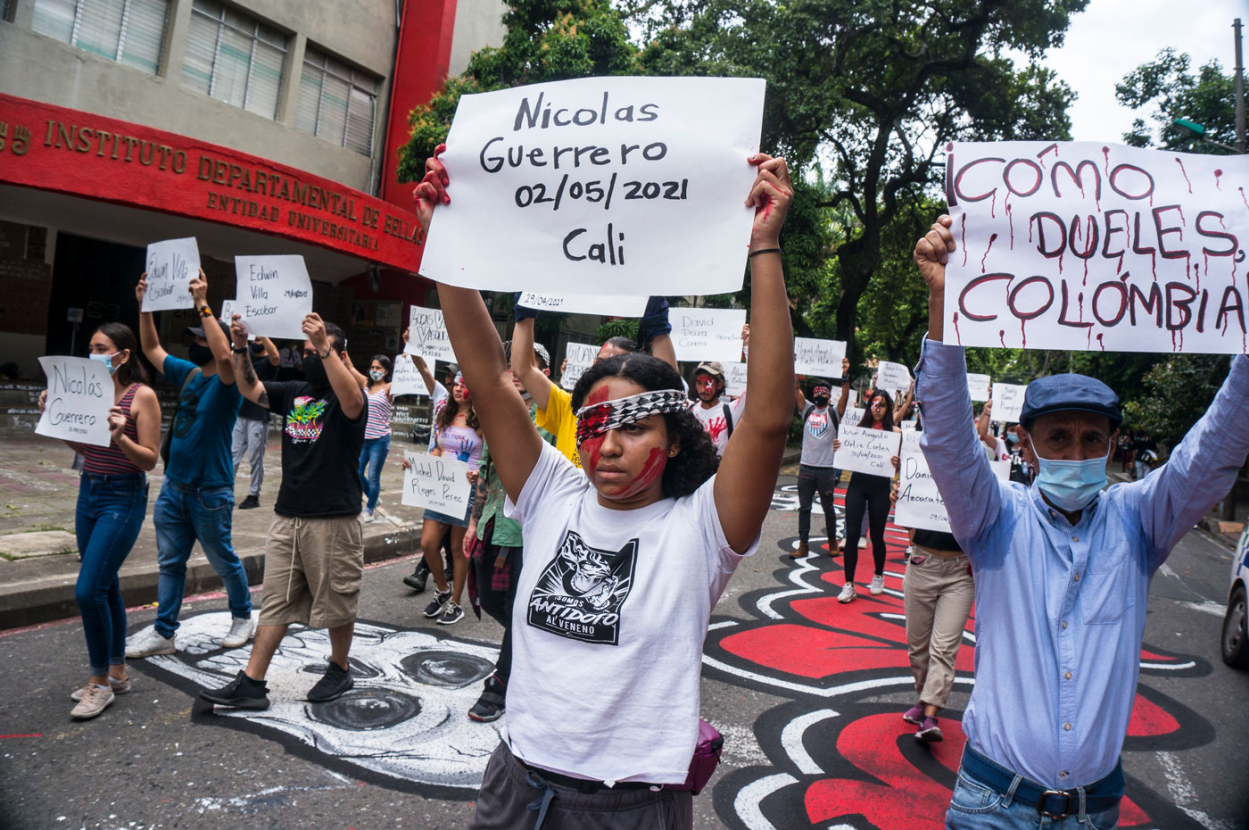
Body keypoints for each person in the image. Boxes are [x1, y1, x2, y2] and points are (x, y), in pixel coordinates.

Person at [413, 146, 795, 828]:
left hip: (632, 806)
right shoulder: (552, 493)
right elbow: (491, 376)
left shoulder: (702, 526)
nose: (609, 446)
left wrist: (763, 247)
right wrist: (446, 240)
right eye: (593, 427)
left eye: (635, 428)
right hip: (515, 787)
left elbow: (767, 417)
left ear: (673, 439)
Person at [913, 213, 1249, 828]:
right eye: (1058, 438)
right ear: (1027, 444)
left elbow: (1213, 453)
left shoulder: (1139, 521)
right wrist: (943, 301)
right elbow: (948, 439)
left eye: (1092, 439)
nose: (1075, 453)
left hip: (1094, 811)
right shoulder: (995, 518)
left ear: (1113, 443)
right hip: (992, 804)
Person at [199, 313, 366, 709]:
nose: (310, 357)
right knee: (276, 599)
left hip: (333, 519)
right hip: (288, 515)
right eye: (306, 352)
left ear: (340, 355)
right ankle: (252, 683)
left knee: (337, 600)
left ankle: (340, 668)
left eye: (318, 351)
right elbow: (250, 388)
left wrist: (325, 346)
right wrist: (241, 346)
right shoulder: (293, 391)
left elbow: (353, 401)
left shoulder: (350, 395)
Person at [126, 271, 254, 659]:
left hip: (210, 492)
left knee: (223, 560)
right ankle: (164, 631)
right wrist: (145, 305)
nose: (194, 344)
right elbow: (150, 348)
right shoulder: (190, 373)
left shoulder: (229, 384)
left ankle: (243, 616)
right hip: (173, 487)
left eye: (200, 338)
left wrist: (202, 303)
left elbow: (224, 356)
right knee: (170, 563)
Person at [38, 324, 160, 719]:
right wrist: (54, 417)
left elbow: (149, 459)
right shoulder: (88, 393)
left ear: (123, 355)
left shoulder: (142, 396)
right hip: (88, 491)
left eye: (102, 348)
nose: (94, 354)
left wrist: (121, 436)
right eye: (91, 347)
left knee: (88, 590)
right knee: (106, 587)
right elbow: (85, 446)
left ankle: (100, 683)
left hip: (122, 497)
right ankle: (117, 672)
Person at [463, 339, 556, 722]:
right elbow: (486, 472)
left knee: (519, 608)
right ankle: (534, 641)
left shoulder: (554, 417)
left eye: (524, 364)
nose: (514, 371)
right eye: (510, 364)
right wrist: (474, 522)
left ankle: (500, 685)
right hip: (493, 525)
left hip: (530, 534)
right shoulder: (498, 413)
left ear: (543, 374)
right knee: (490, 599)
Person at [510, 295, 679, 469]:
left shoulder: (642, 412)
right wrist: (526, 312)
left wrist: (658, 330)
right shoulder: (570, 407)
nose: (608, 448)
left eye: (616, 364)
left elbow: (670, 392)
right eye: (600, 362)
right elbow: (523, 369)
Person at [889, 415, 972, 744]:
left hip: (961, 573)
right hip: (922, 563)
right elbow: (910, 528)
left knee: (944, 648)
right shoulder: (918, 466)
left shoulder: (975, 469)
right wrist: (900, 500)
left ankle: (931, 715)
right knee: (917, 648)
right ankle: (924, 700)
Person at [408, 369, 483, 626]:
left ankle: (456, 603)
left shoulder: (482, 419)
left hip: (466, 490)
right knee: (428, 543)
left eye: (464, 384)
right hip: (440, 488)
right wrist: (419, 465)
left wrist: (478, 472)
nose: (458, 388)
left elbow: (489, 455)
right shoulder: (445, 415)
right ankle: (442, 590)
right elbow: (437, 449)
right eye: (456, 385)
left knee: (457, 548)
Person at [400, 347, 457, 592]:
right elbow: (423, 368)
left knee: (443, 522)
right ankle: (450, 565)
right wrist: (413, 347)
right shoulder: (441, 395)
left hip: (455, 473)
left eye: (454, 376)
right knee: (443, 521)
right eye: (448, 376)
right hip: (432, 468)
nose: (450, 380)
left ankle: (423, 570)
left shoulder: (472, 404)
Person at [833, 390, 899, 600]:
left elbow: (900, 466)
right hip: (858, 485)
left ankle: (879, 575)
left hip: (880, 487)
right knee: (852, 534)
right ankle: (848, 584)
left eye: (882, 405)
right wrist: (839, 447)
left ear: (888, 408)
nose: (877, 409)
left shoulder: (895, 433)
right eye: (874, 404)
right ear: (869, 406)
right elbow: (846, 454)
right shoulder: (858, 430)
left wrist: (897, 464)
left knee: (877, 535)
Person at [791, 360, 850, 558]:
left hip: (826, 469)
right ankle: (803, 545)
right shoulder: (807, 409)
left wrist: (845, 377)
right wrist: (795, 367)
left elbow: (844, 398)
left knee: (828, 508)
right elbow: (796, 389)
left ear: (829, 395)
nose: (820, 395)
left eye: (824, 392)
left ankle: (832, 541)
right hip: (806, 468)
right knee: (804, 508)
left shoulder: (833, 413)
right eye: (817, 391)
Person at [232, 336, 280, 510]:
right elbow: (232, 357)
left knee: (255, 458)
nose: (255, 342)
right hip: (240, 413)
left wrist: (263, 333)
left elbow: (275, 357)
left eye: (258, 340)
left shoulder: (268, 362)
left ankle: (254, 495)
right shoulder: (247, 357)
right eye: (254, 339)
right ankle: (226, 490)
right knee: (232, 456)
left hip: (258, 415)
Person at [350, 354, 393, 523]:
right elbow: (350, 368)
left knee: (374, 476)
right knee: (357, 473)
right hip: (363, 439)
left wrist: (407, 357)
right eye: (372, 367)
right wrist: (342, 349)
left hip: (380, 440)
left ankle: (369, 510)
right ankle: (373, 497)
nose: (374, 370)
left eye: (378, 368)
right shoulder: (365, 384)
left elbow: (406, 378)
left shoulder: (389, 388)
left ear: (386, 371)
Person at [689, 360, 747, 458]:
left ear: (719, 385)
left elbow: (755, 387)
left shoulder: (731, 411)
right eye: (699, 383)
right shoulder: (689, 410)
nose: (702, 389)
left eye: (708, 383)